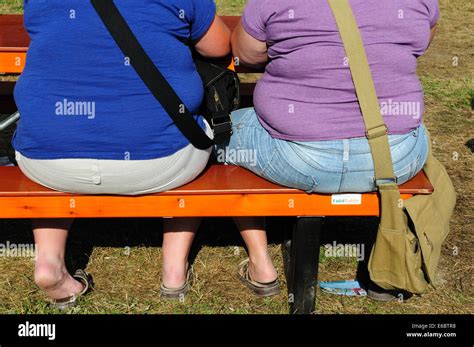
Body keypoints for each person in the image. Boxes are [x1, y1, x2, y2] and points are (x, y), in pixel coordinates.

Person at [13, 0, 230, 308]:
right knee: (197, 127)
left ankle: (49, 261)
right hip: (162, 162)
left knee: (57, 133)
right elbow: (219, 46)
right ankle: (173, 270)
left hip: (46, 162)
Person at [222, 0, 439, 298]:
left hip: (296, 156)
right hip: (394, 158)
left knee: (219, 129)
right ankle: (394, 256)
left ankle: (258, 256)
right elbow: (421, 41)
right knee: (417, 130)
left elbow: (245, 54)